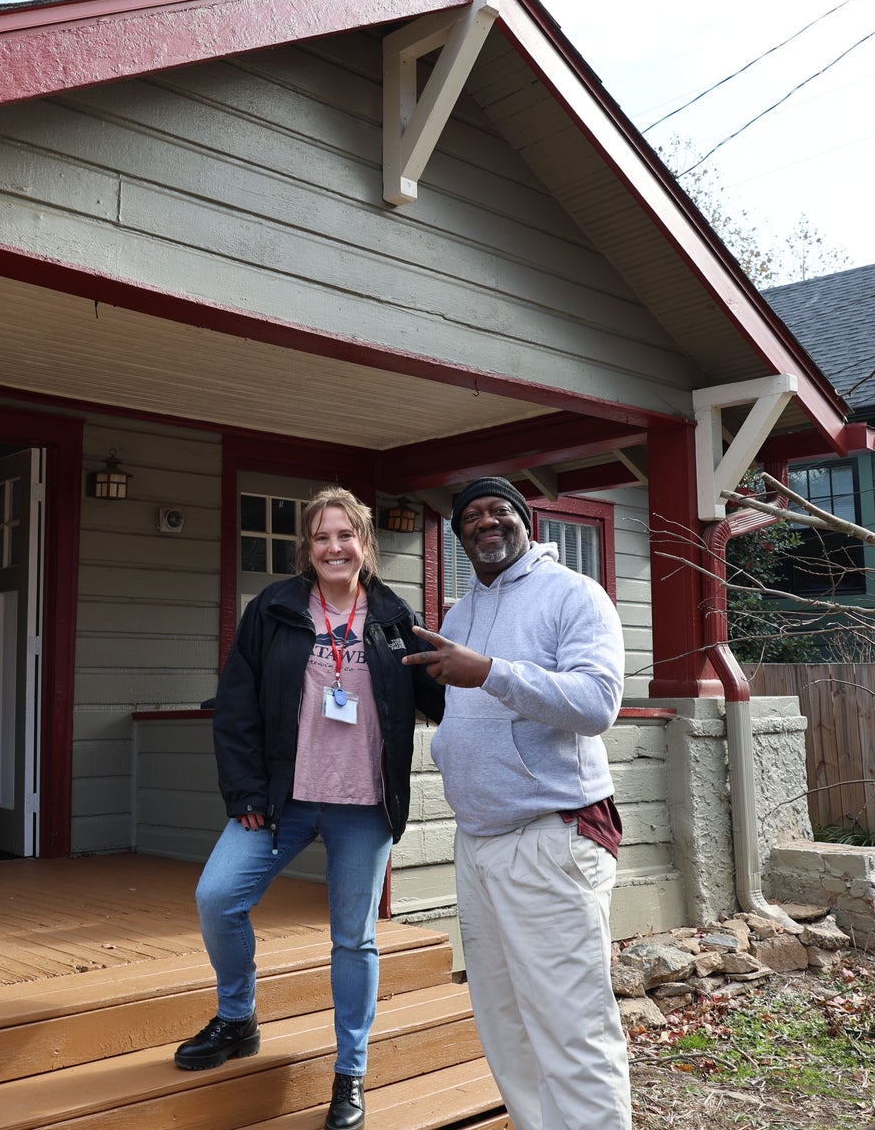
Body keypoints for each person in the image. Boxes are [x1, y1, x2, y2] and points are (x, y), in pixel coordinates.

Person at [176, 486, 444, 1130]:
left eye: (345, 535)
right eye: (322, 537)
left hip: (364, 806)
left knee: (354, 938)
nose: (334, 548)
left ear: (365, 544)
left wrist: (467, 664)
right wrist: (244, 792)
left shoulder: (392, 616)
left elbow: (436, 702)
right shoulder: (273, 608)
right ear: (308, 547)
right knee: (218, 897)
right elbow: (236, 703)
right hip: (280, 800)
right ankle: (237, 1018)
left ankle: (349, 1075)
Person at [402, 475, 631, 1130]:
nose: (485, 521)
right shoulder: (461, 614)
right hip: (478, 842)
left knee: (571, 1025)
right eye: (470, 515)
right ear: (458, 536)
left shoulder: (574, 596)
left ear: (528, 521)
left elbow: (596, 704)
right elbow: (461, 710)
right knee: (505, 1023)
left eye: (499, 509)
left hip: (550, 836)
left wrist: (491, 672)